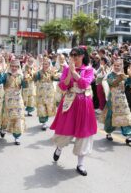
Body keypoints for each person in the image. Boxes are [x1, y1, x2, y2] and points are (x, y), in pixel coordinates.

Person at [50, 46, 97, 176]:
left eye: (77, 55)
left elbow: (84, 84)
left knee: (84, 133)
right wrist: (70, 72)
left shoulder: (89, 70)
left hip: (84, 103)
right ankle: (59, 147)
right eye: (72, 55)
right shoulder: (66, 68)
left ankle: (80, 164)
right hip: (69, 102)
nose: (74, 57)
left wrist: (75, 73)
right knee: (65, 129)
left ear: (83, 56)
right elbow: (63, 86)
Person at [102, 59, 131, 146]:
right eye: (115, 65)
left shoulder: (123, 74)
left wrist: (130, 76)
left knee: (125, 115)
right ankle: (108, 133)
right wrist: (120, 78)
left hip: (122, 98)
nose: (117, 67)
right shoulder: (110, 75)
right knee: (111, 116)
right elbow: (112, 83)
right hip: (112, 98)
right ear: (113, 65)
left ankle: (128, 136)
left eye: (119, 65)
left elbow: (128, 83)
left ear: (121, 66)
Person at [0, 59, 26, 145]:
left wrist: (26, 79)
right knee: (6, 117)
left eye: (15, 66)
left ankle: (17, 137)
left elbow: (25, 86)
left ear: (18, 67)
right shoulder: (6, 75)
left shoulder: (20, 76)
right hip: (7, 100)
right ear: (10, 66)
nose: (14, 68)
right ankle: (3, 128)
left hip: (18, 100)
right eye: (12, 66)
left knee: (19, 117)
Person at [35, 57, 59, 131]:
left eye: (47, 64)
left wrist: (55, 73)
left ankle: (46, 120)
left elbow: (56, 78)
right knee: (42, 108)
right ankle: (43, 122)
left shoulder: (52, 72)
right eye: (44, 64)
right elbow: (35, 78)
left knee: (48, 107)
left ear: (49, 64)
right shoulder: (39, 72)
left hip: (49, 93)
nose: (45, 65)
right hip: (41, 93)